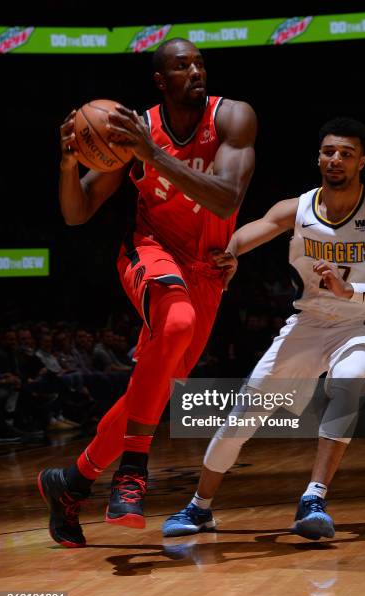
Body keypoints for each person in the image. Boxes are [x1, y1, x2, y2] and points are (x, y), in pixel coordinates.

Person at [38, 38, 257, 547]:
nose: (196, 72)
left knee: (153, 391)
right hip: (150, 252)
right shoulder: (133, 128)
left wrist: (151, 155)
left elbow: (226, 201)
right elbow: (77, 212)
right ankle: (133, 468)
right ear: (161, 81)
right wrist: (70, 164)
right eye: (183, 66)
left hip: (206, 271)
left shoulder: (233, 118)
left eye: (200, 63)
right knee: (175, 322)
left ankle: (70, 483)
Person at [162, 117, 365, 540]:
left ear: (362, 162)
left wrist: (349, 290)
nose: (336, 159)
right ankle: (199, 507)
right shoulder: (297, 208)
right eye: (329, 151)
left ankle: (313, 498)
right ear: (318, 157)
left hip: (361, 326)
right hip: (307, 324)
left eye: (346, 153)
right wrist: (231, 251)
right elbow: (250, 231)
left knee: (348, 380)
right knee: (244, 414)